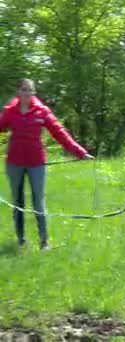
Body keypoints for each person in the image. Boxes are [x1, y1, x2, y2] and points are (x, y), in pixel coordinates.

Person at [0, 79, 94, 251]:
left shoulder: (42, 111)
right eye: (24, 90)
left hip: (37, 163)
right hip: (14, 163)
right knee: (17, 202)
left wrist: (79, 152)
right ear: (18, 92)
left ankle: (44, 242)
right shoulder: (10, 112)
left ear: (33, 92)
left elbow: (60, 132)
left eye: (30, 90)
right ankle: (21, 241)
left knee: (38, 202)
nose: (27, 93)